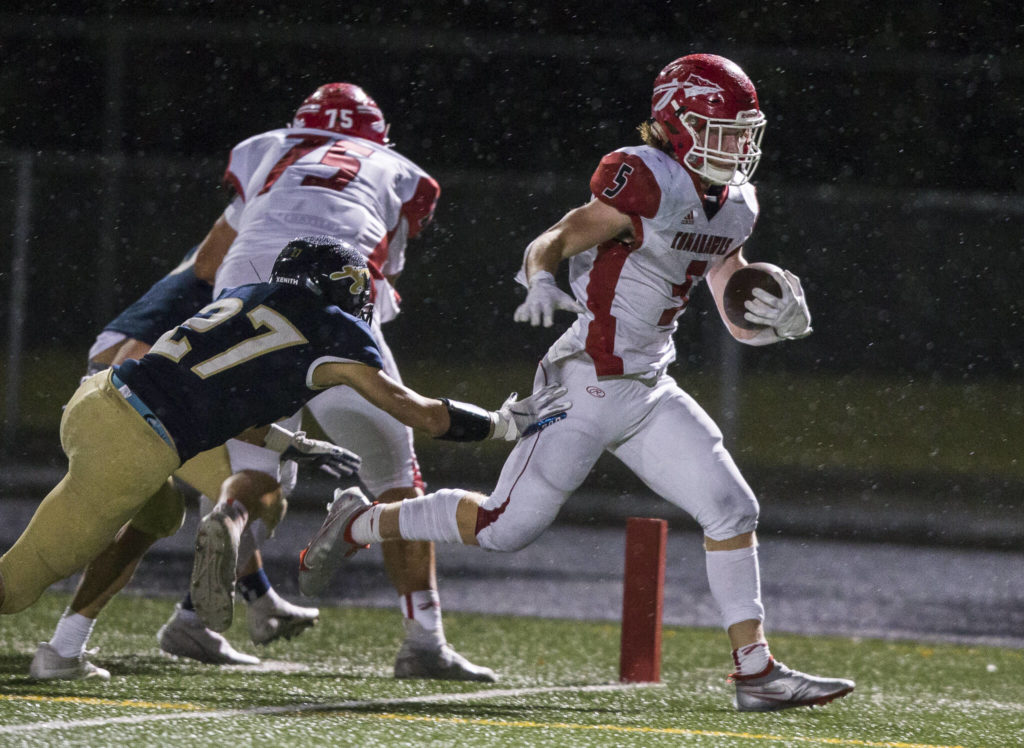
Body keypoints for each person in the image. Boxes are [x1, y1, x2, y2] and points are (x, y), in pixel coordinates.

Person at [295, 54, 856, 712]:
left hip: (648, 385)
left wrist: (773, 315)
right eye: (723, 129)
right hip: (582, 381)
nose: (738, 145)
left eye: (743, 131)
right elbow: (558, 236)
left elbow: (726, 281)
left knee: (733, 507)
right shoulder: (644, 178)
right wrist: (538, 276)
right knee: (505, 528)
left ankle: (756, 673)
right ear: (677, 122)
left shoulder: (736, 206)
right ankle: (361, 521)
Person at [0, 237, 568, 666]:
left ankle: (66, 647)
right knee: (17, 585)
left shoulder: (247, 295)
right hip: (138, 443)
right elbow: (417, 411)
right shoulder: (335, 333)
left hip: (102, 395)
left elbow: (217, 407)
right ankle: (62, 642)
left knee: (171, 510)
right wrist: (499, 425)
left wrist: (294, 443)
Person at [190, 82, 497, 681]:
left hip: (238, 296)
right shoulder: (398, 171)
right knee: (396, 481)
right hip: (329, 303)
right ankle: (423, 639)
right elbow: (374, 278)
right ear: (375, 135)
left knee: (249, 468)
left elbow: (205, 265)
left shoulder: (271, 151)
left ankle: (222, 535)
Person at [28, 244, 331, 681]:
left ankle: (81, 642)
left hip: (145, 397)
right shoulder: (219, 282)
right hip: (127, 396)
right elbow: (147, 351)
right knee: (36, 568)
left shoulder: (239, 277)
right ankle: (216, 610)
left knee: (198, 503)